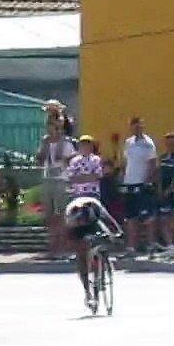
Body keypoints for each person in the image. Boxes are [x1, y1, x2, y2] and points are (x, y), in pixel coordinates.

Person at [63, 194, 123, 308]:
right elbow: (69, 236)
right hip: (77, 229)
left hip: (94, 223)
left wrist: (118, 233)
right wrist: (75, 248)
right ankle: (87, 292)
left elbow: (110, 221)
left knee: (105, 236)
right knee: (81, 256)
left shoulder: (96, 207)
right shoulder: (71, 214)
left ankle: (102, 259)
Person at [36, 120, 76, 259]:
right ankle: (52, 247)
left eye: (53, 128)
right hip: (48, 179)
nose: (50, 131)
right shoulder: (45, 143)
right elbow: (39, 159)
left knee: (61, 215)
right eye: (48, 128)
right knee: (50, 216)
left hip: (61, 179)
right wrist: (44, 147)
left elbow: (68, 160)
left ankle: (63, 247)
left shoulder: (67, 144)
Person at [120, 117, 158, 256]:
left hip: (142, 183)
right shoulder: (128, 142)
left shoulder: (148, 143)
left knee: (147, 216)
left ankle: (151, 245)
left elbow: (153, 163)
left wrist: (148, 181)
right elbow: (125, 162)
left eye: (139, 126)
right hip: (129, 183)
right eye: (133, 126)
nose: (136, 129)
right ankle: (131, 247)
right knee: (131, 217)